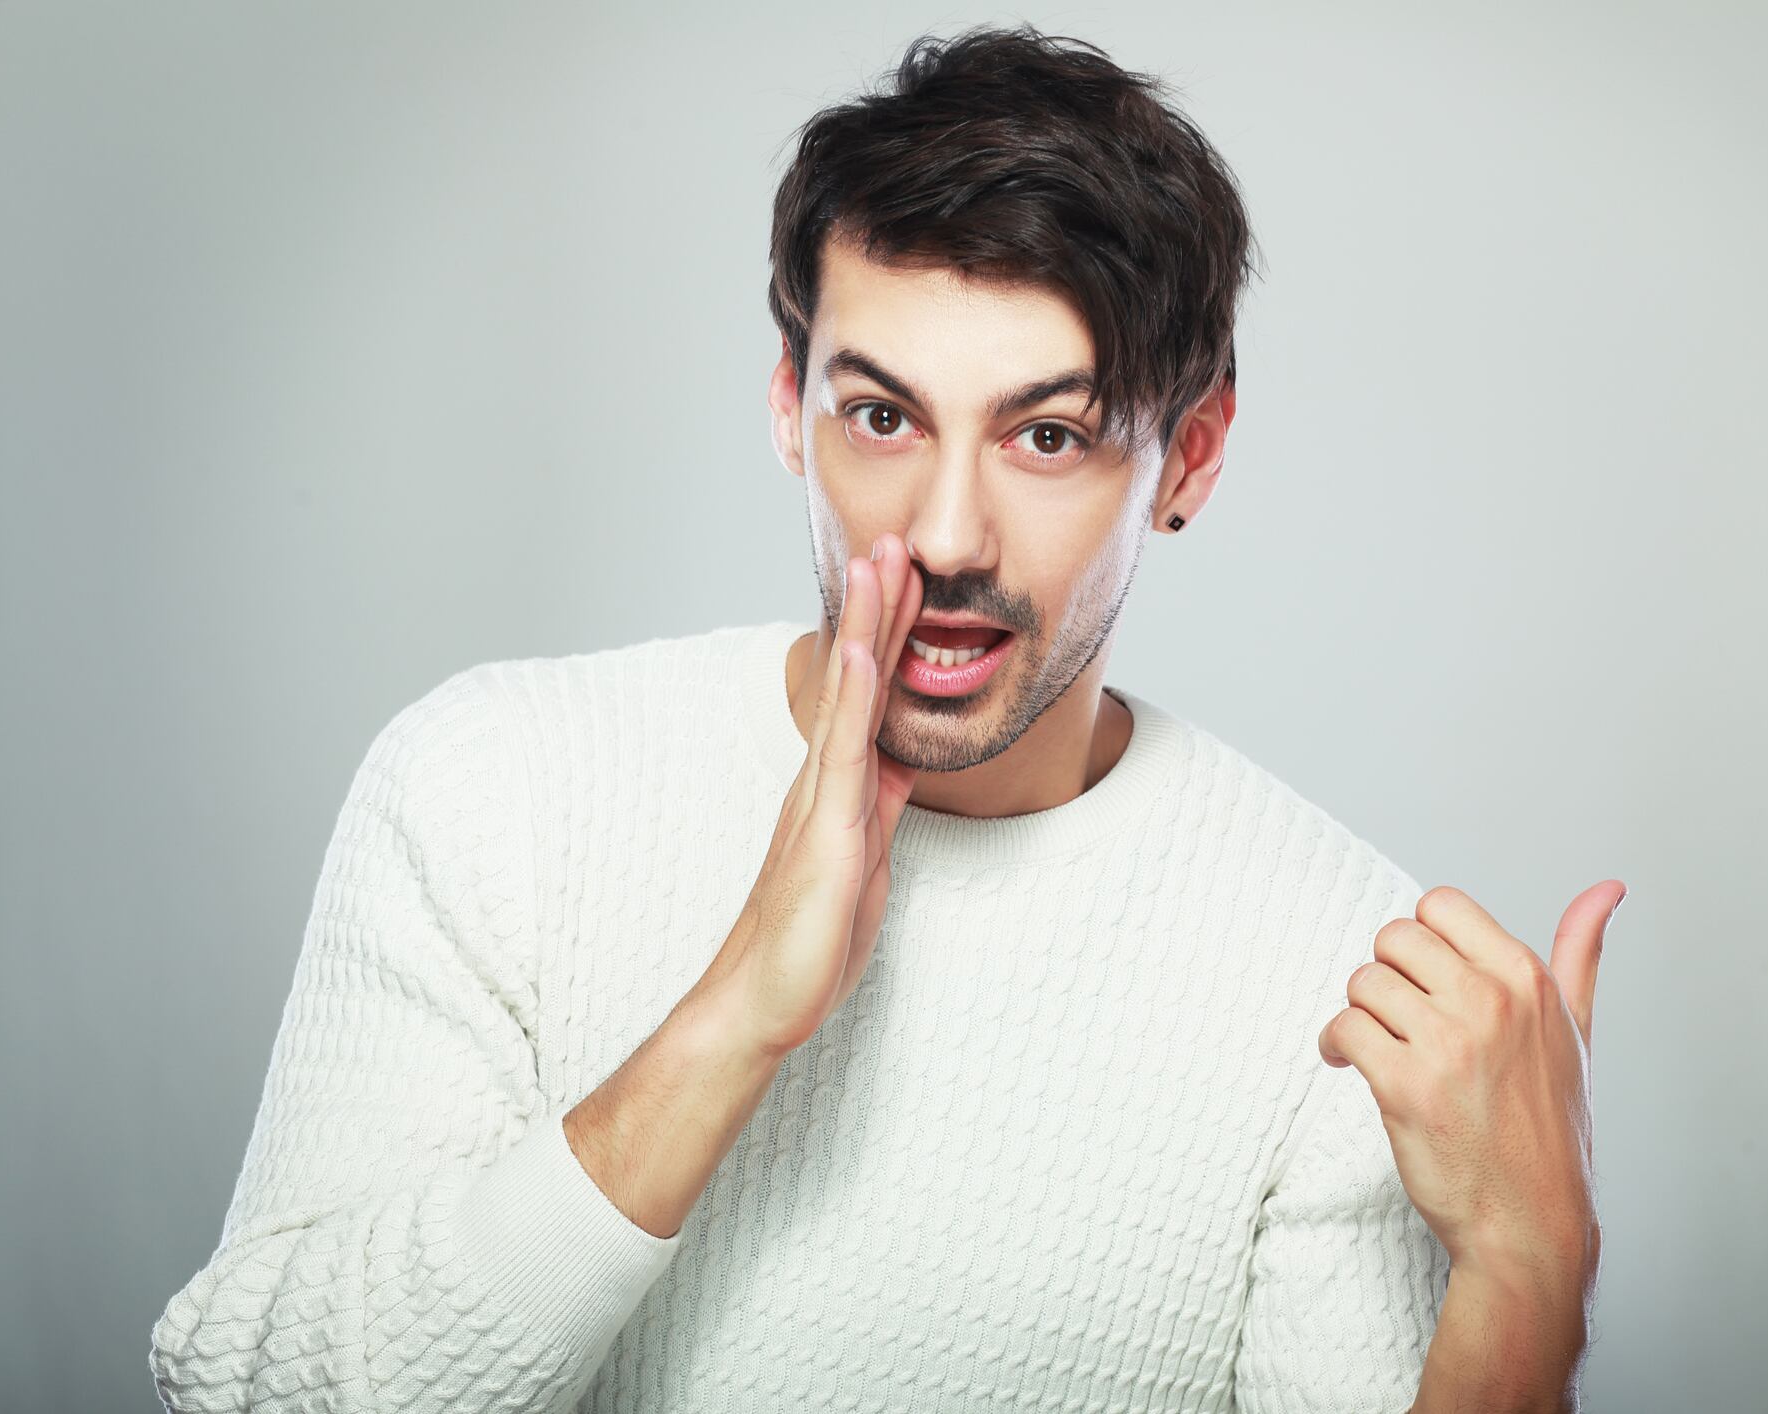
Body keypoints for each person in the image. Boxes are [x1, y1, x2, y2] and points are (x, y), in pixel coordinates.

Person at [150, 24, 1614, 1413]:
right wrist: (732, 1020)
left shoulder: (1347, 987)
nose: (948, 532)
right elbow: (253, 1389)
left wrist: (1529, 1271)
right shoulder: (493, 791)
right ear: (790, 403)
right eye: (882, 416)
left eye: (1048, 435)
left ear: (1191, 457)